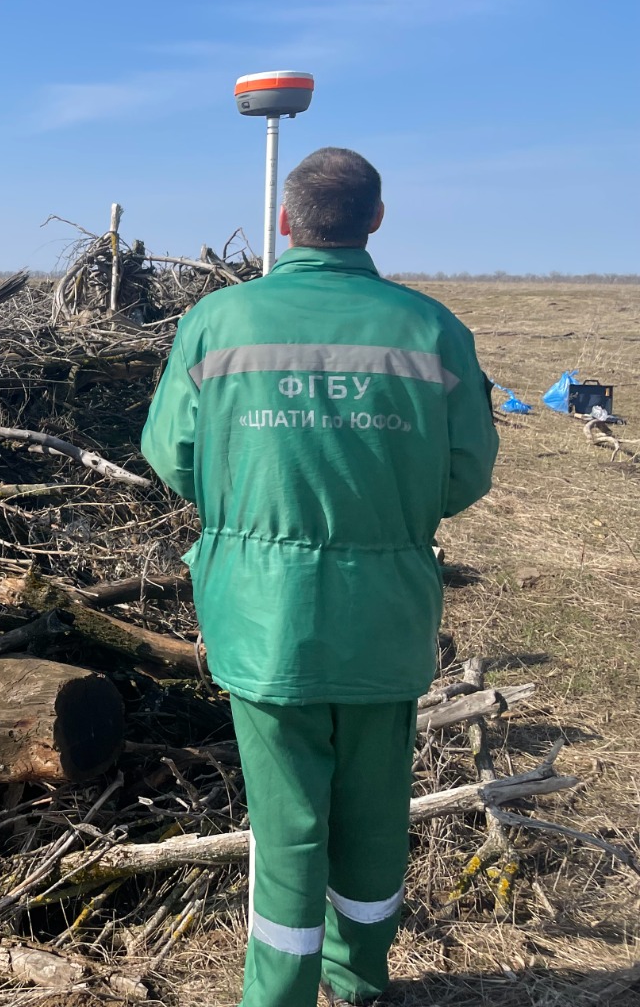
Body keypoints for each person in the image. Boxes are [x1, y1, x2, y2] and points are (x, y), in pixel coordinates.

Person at [140, 147, 498, 1006]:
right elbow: (467, 472)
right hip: (387, 615)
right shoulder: (432, 328)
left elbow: (174, 457)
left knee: (287, 823)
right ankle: (360, 977)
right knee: (375, 812)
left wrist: (253, 508)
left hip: (263, 618)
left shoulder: (219, 323)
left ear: (284, 222)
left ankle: (278, 995)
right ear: (376, 219)